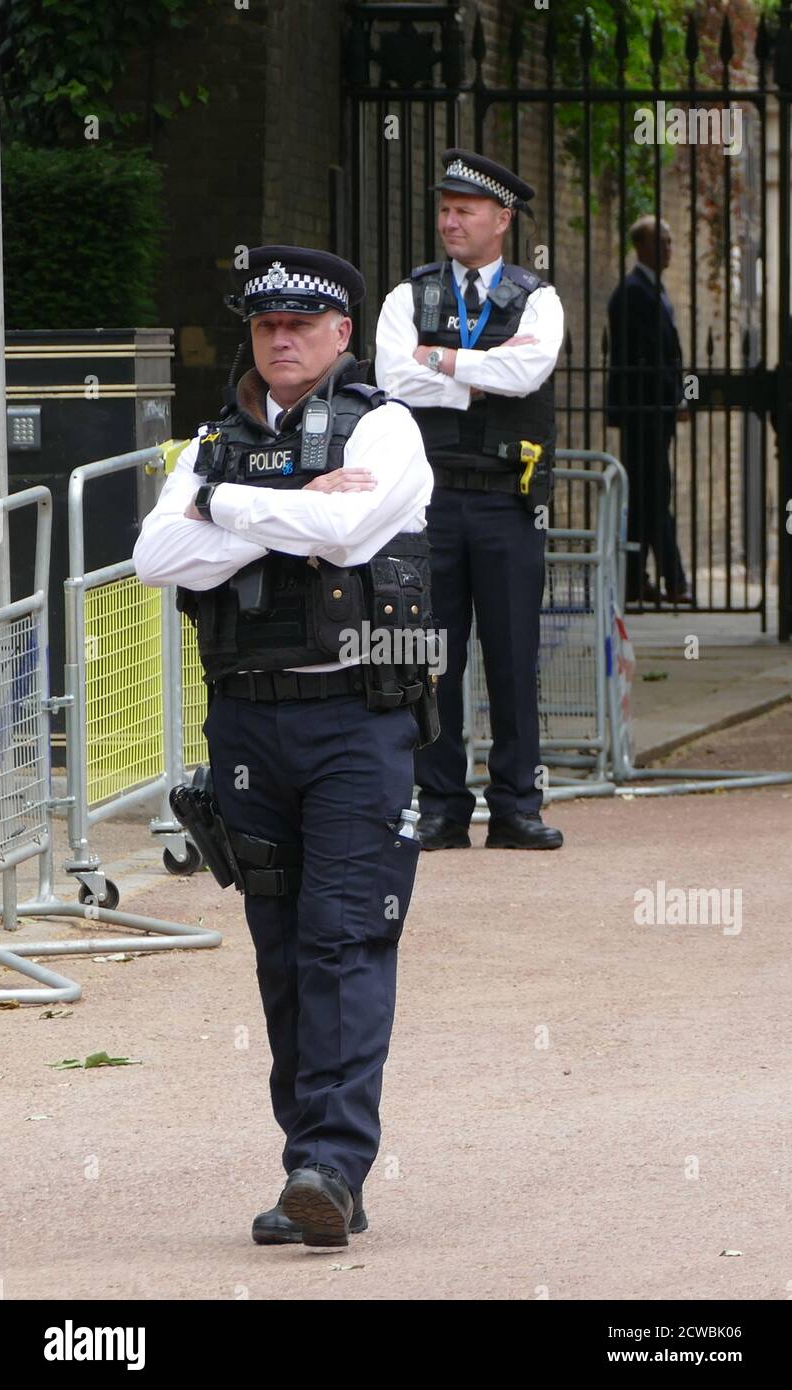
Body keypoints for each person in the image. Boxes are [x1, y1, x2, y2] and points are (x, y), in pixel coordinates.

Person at [133, 246, 434, 1248]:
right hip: (250, 722)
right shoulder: (214, 443)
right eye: (266, 328)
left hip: (359, 720)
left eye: (302, 325)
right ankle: (313, 1161)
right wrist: (279, 510)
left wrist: (226, 508)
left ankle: (329, 1167)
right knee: (280, 950)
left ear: (342, 333)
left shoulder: (387, 426)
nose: (283, 340)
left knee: (342, 936)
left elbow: (350, 536)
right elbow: (155, 555)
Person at [375, 148, 565, 851]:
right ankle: (441, 807)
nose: (451, 221)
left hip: (508, 504)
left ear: (502, 220)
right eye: (446, 209)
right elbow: (393, 377)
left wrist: (440, 360)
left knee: (514, 656)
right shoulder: (411, 295)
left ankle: (516, 805)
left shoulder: (535, 297)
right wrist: (475, 375)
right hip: (429, 504)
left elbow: (526, 373)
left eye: (466, 210)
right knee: (432, 658)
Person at [606, 215, 692, 604]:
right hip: (643, 412)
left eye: (671, 242)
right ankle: (671, 581)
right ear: (641, 247)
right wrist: (673, 397)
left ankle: (635, 580)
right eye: (663, 242)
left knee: (646, 497)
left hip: (654, 411)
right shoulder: (633, 292)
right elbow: (647, 359)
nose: (669, 249)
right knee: (654, 494)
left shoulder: (651, 289)